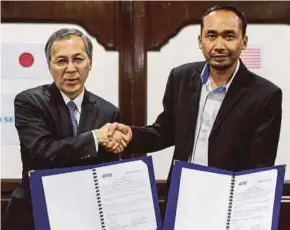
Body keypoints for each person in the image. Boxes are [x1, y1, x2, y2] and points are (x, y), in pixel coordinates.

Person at [109, 5, 282, 171]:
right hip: (181, 192)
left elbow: (260, 164)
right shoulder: (181, 78)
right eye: (211, 36)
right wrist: (131, 135)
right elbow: (165, 132)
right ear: (201, 41)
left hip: (227, 196)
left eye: (229, 36)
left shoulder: (265, 95)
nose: (219, 45)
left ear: (243, 42)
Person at [2, 28, 128, 230]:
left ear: (90, 63)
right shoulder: (29, 101)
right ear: (49, 66)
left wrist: (115, 146)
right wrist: (95, 138)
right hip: (33, 214)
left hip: (85, 216)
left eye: (78, 59)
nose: (70, 69)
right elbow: (42, 152)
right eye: (61, 61)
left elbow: (109, 171)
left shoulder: (108, 112)